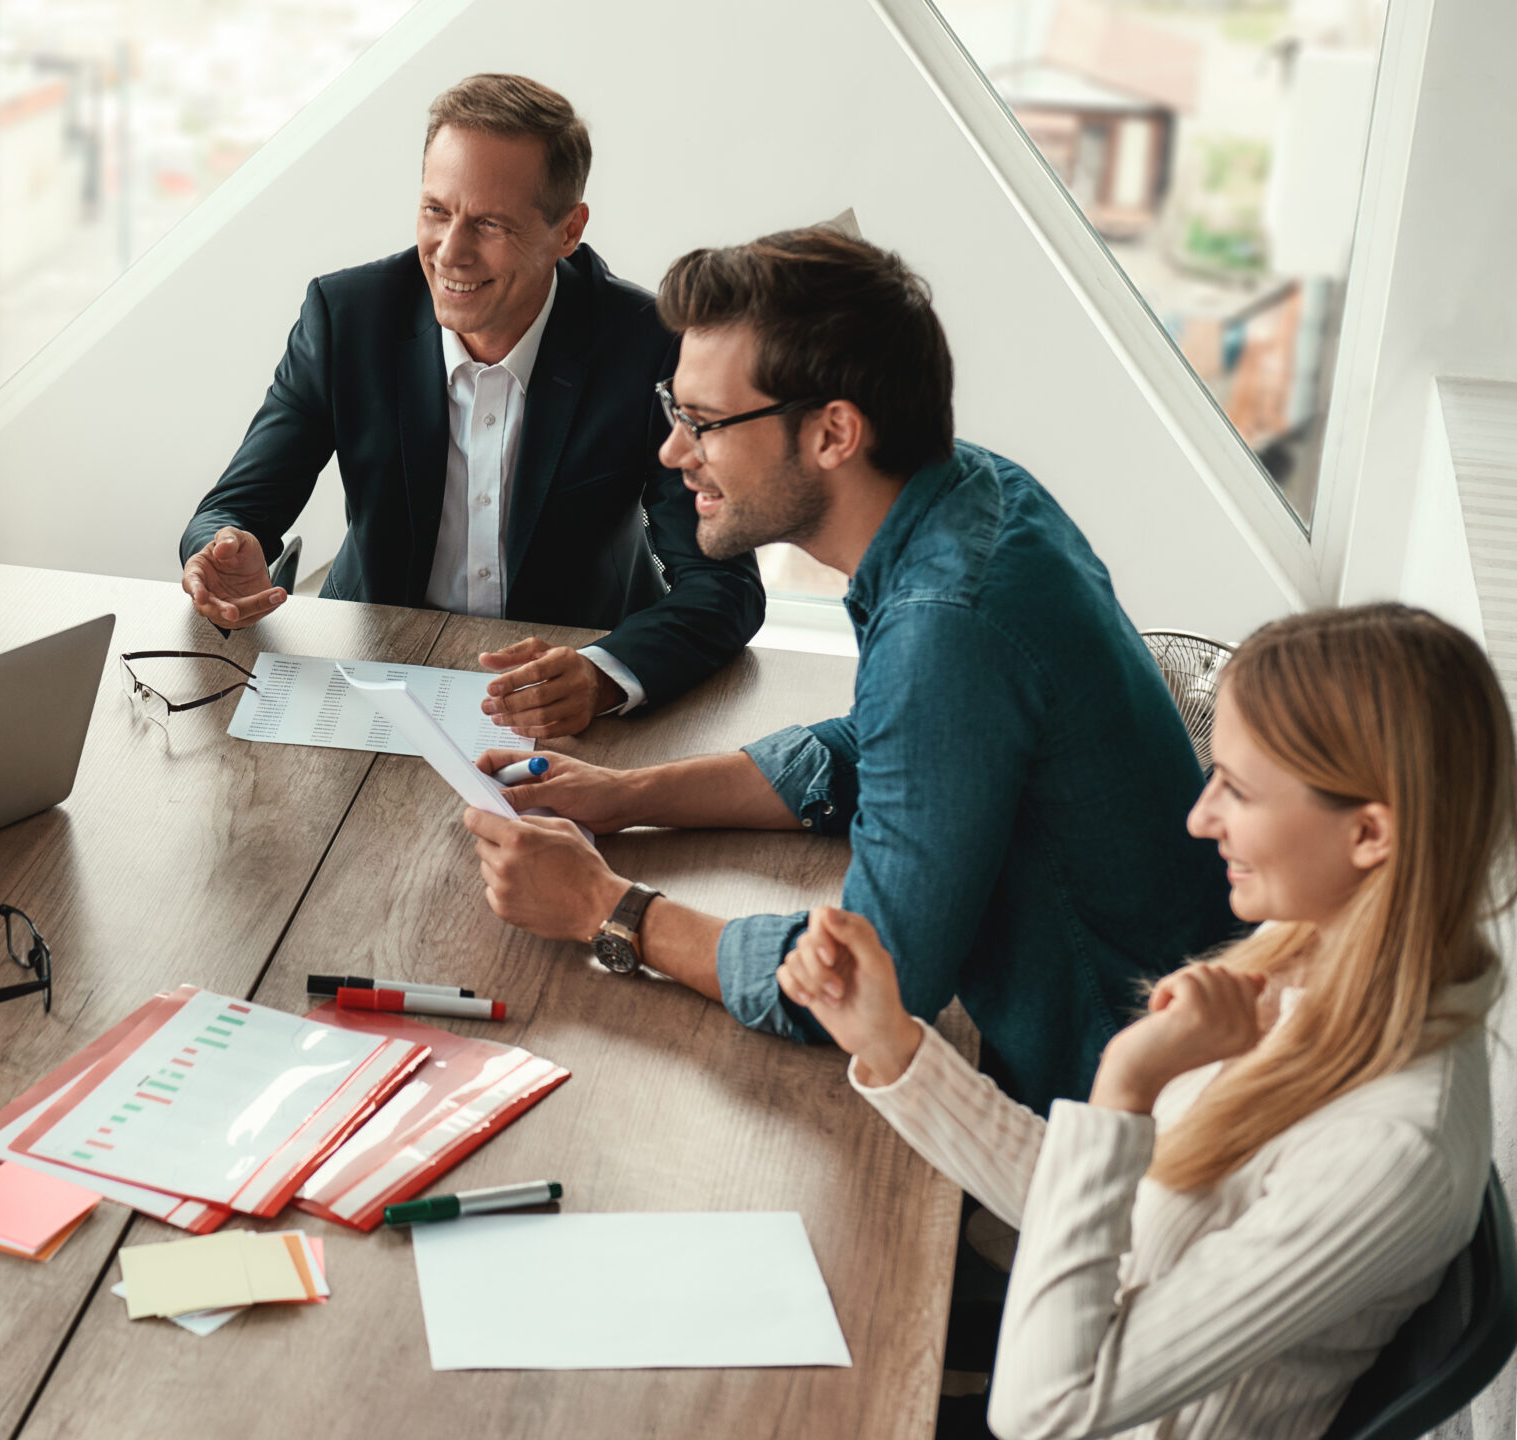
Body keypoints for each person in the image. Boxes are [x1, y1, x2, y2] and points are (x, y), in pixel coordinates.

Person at [464, 228, 1236, 1112]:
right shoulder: (978, 494)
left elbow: (863, 984)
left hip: (1107, 1110)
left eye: (704, 424)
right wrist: (628, 797)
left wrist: (607, 910)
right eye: (673, 413)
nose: (674, 454)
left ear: (834, 431)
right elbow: (883, 747)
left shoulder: (947, 626)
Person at [781, 604, 1505, 1439]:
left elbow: (1045, 1412)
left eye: (1237, 788)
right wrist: (890, 1044)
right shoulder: (1304, 955)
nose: (1202, 818)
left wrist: (1128, 1082)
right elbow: (1104, 1213)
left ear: (1370, 834)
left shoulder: (1386, 1151)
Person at [179, 74, 763, 740]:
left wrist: (603, 673)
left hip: (568, 688)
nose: (450, 252)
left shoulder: (648, 345)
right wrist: (225, 554)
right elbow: (230, 511)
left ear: (568, 230)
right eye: (436, 211)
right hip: (370, 675)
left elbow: (724, 589)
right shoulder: (347, 319)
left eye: (489, 223)